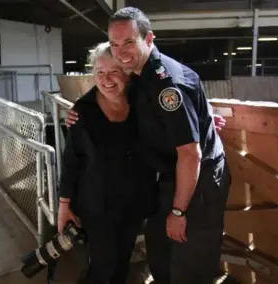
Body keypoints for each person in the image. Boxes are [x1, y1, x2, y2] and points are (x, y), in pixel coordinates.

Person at [66, 7, 231, 284]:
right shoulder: (140, 74)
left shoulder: (166, 85)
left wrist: (179, 211)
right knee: (160, 256)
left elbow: (191, 154)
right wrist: (80, 109)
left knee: (189, 267)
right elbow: (111, 83)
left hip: (196, 182)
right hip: (170, 179)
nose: (121, 51)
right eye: (115, 44)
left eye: (129, 42)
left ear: (149, 39)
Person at [57, 41, 157, 284]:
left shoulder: (141, 101)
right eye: (100, 73)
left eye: (114, 71)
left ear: (127, 72)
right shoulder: (83, 110)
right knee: (104, 265)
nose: (107, 79)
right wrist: (63, 205)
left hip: (133, 202)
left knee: (122, 263)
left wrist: (206, 116)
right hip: (97, 206)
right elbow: (72, 161)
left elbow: (174, 108)